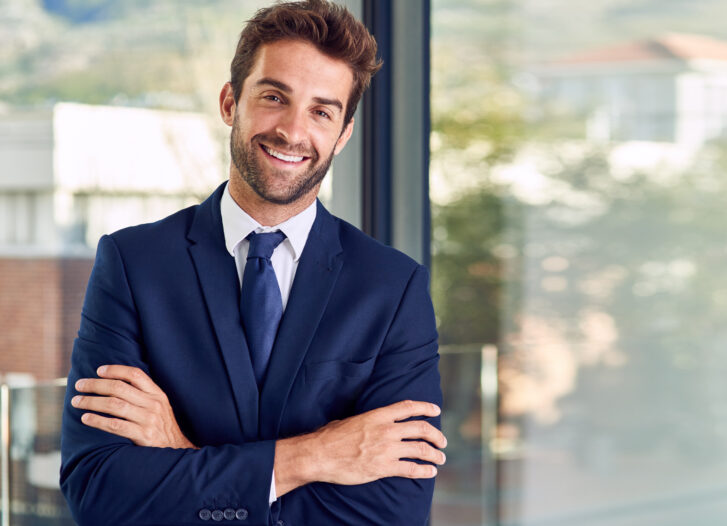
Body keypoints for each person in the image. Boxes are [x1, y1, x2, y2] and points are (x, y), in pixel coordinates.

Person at [59, 1, 445, 525]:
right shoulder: (132, 264)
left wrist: (179, 451)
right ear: (229, 101)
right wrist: (317, 455)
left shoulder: (394, 288)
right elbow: (99, 491)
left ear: (344, 133)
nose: (291, 130)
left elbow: (393, 511)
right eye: (273, 97)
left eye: (321, 111)